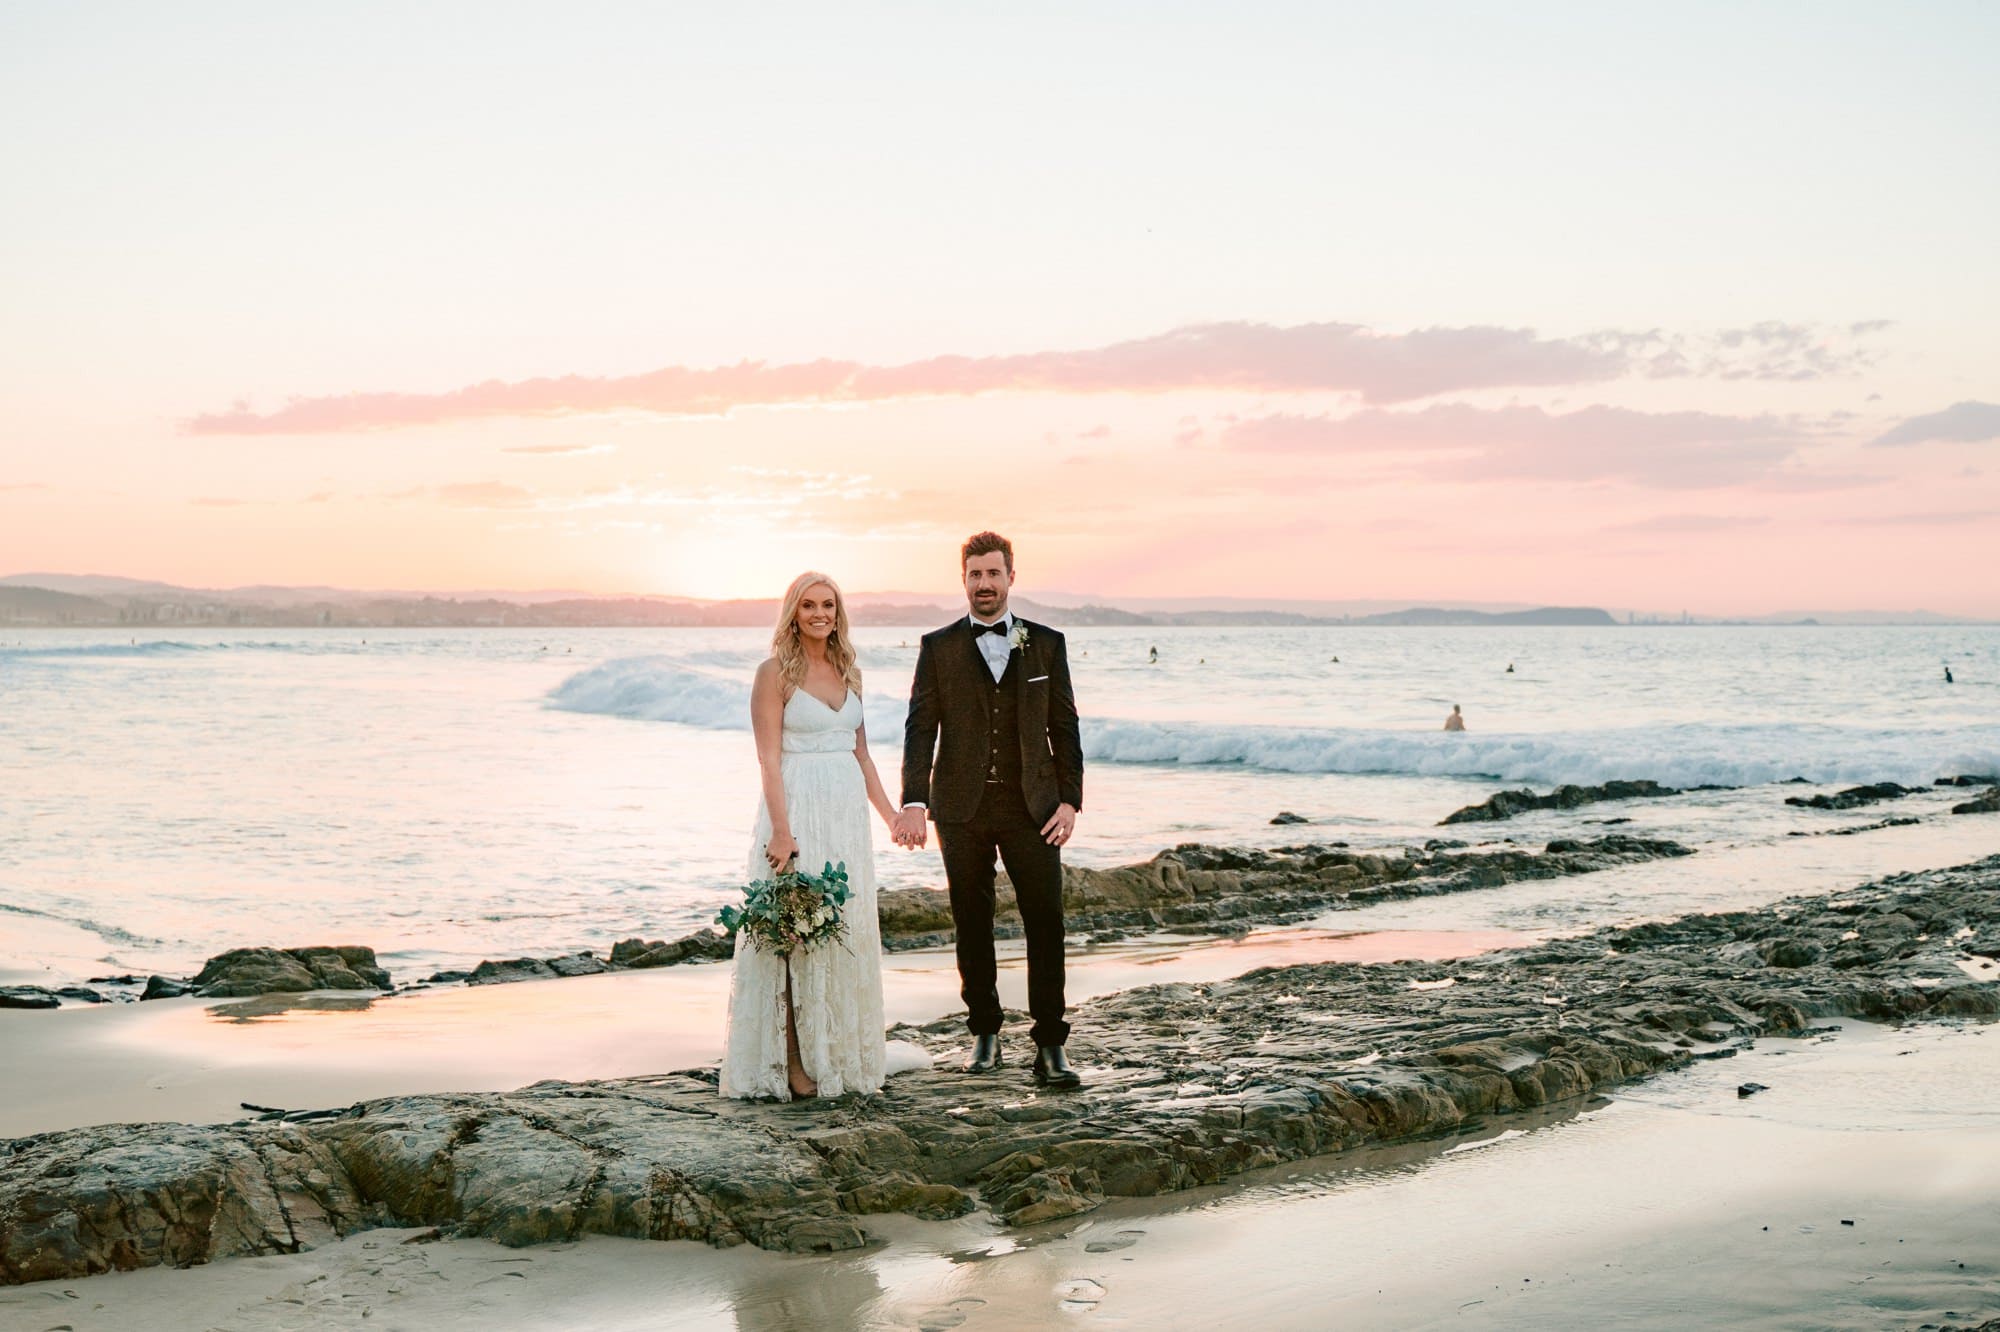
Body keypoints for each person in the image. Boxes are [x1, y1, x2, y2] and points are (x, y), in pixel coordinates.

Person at [894, 532, 1085, 1090]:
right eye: (975, 575)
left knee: (1046, 922)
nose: (984, 584)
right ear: (964, 579)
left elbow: (1065, 727)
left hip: (1035, 808)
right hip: (961, 808)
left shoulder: (1046, 644)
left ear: (1010, 578)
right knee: (971, 923)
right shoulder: (937, 647)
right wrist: (914, 801)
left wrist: (1071, 800)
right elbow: (919, 729)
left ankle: (1051, 1045)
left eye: (993, 574)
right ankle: (985, 1034)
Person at [720, 572, 917, 1101]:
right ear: (793, 612)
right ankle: (792, 1064)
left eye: (828, 604)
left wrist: (892, 815)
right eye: (808, 605)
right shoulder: (774, 673)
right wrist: (781, 831)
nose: (819, 613)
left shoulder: (850, 670)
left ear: (838, 612)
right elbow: (768, 759)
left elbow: (863, 755)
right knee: (793, 933)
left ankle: (840, 1054)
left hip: (846, 817)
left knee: (841, 929)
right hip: (799, 810)